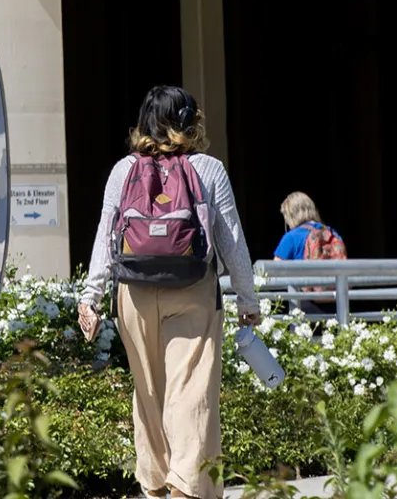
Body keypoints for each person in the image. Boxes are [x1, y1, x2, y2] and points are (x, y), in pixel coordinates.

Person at [76, 86, 262, 499]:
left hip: (134, 295)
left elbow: (106, 236)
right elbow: (233, 242)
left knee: (149, 395)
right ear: (191, 122)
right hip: (193, 289)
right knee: (190, 392)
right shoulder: (208, 169)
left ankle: (155, 486)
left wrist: (91, 295)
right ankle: (187, 489)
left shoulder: (124, 170)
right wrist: (247, 301)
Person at [271, 191, 345, 315]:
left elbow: (273, 271)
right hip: (335, 301)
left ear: (291, 215)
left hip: (305, 303)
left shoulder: (291, 237)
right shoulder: (332, 233)